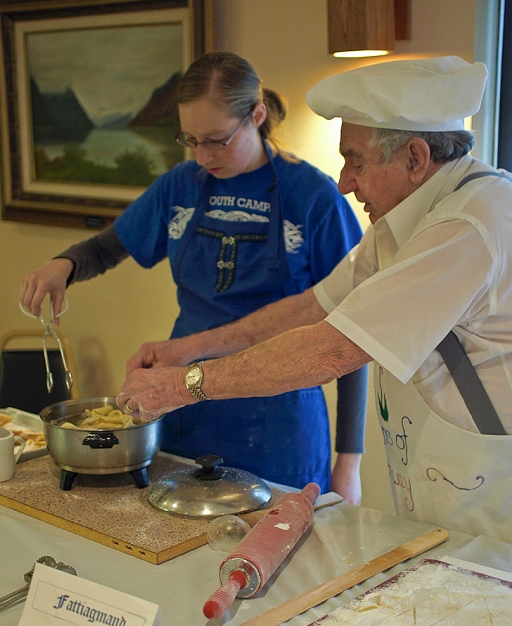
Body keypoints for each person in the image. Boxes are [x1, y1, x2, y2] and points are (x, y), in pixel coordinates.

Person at [117, 55, 512, 543]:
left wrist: (184, 385)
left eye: (356, 161)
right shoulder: (404, 221)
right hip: (444, 474)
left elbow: (331, 348)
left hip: (491, 493)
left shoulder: (467, 226)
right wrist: (189, 348)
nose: (345, 182)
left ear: (415, 158)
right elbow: (312, 307)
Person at [20, 51, 367, 500]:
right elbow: (110, 245)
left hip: (277, 421)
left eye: (217, 140)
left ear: (256, 115)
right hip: (185, 405)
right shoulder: (180, 185)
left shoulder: (315, 198)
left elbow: (352, 333)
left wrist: (349, 462)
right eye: (190, 140)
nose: (203, 156)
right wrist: (62, 266)